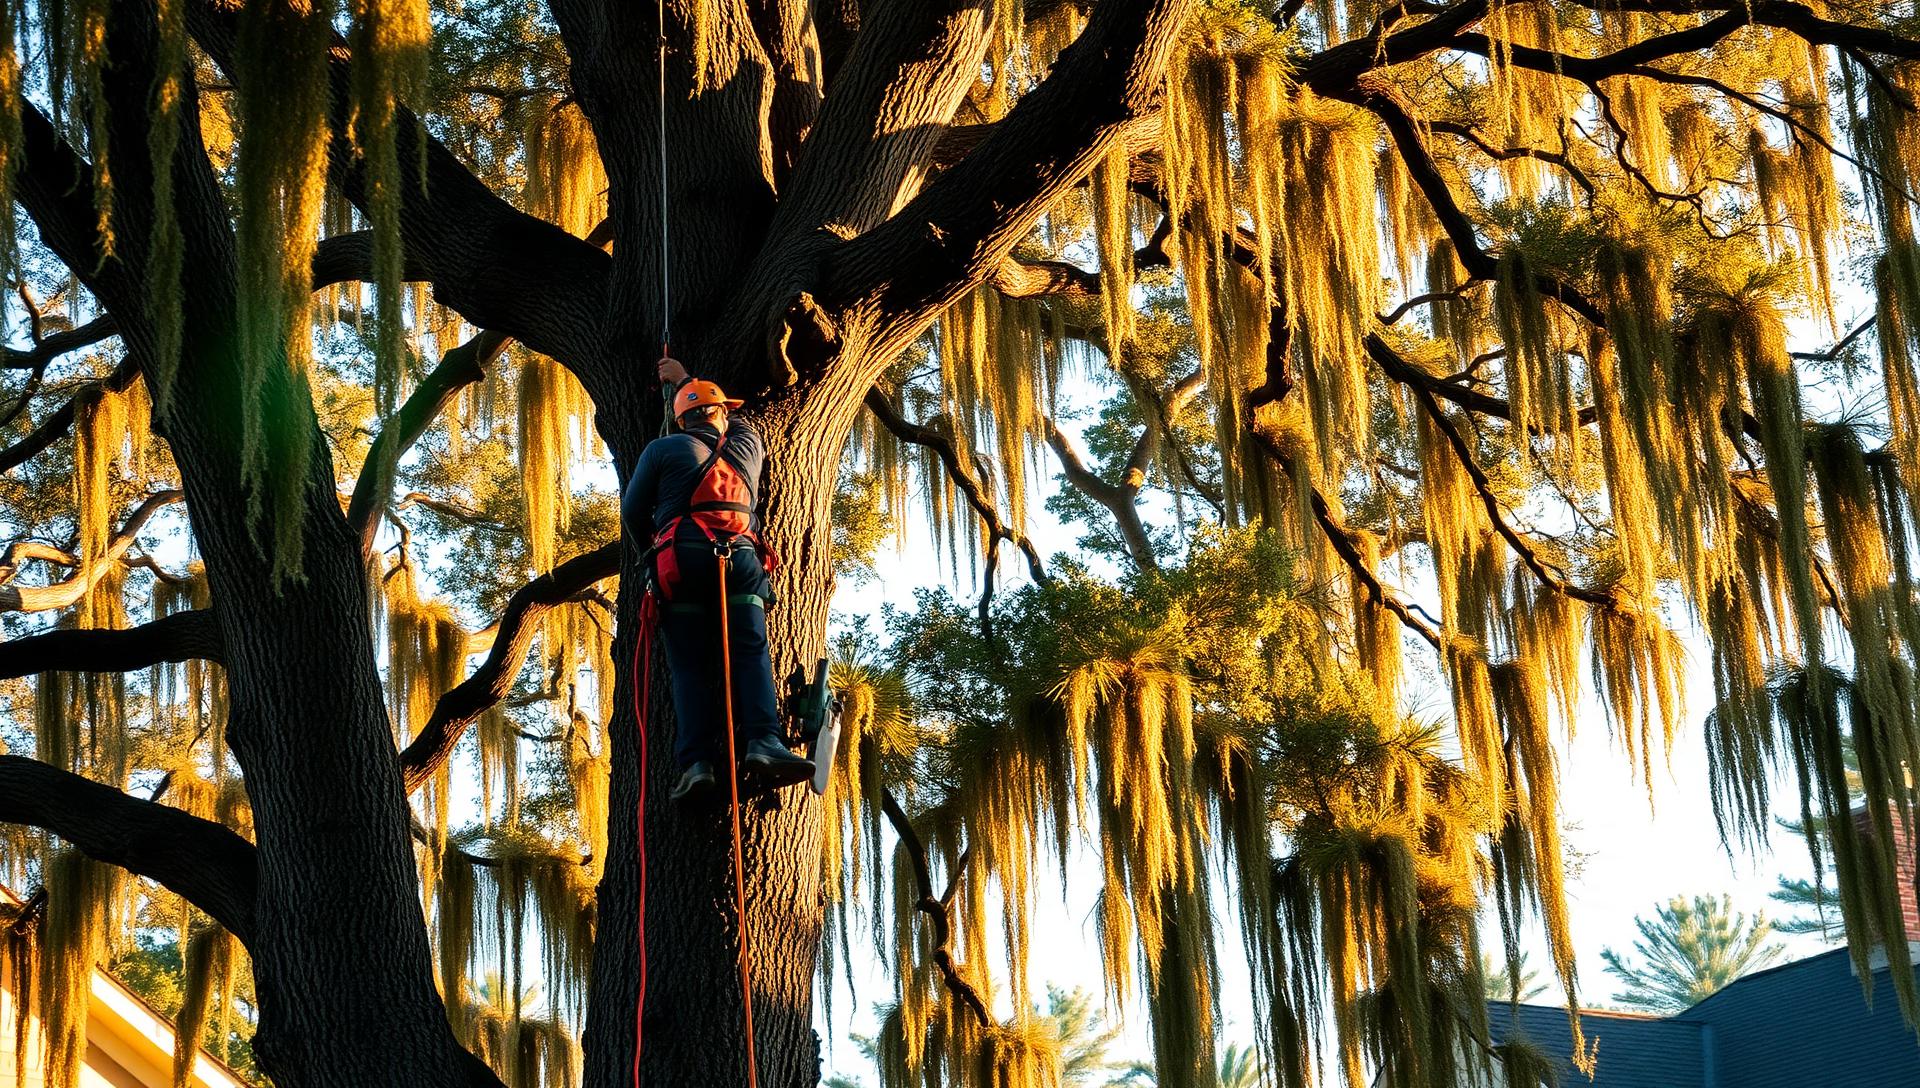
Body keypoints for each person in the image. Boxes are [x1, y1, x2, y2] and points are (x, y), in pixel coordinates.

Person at [621, 357, 814, 802]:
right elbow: (733, 418)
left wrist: (649, 554)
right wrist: (686, 379)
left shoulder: (662, 449)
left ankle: (697, 766)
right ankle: (764, 743)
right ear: (722, 413)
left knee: (688, 665)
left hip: (681, 562)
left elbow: (632, 512)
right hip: (742, 561)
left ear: (680, 418)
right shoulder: (747, 445)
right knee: (749, 652)